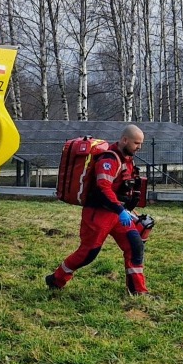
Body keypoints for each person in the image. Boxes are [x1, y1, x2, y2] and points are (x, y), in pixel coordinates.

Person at [46, 124, 149, 295]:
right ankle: (56, 279)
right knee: (88, 253)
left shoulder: (127, 160)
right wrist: (120, 210)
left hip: (117, 214)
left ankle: (138, 291)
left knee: (135, 246)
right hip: (98, 214)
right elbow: (103, 187)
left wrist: (127, 211)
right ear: (125, 140)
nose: (139, 147)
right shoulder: (109, 159)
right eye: (136, 143)